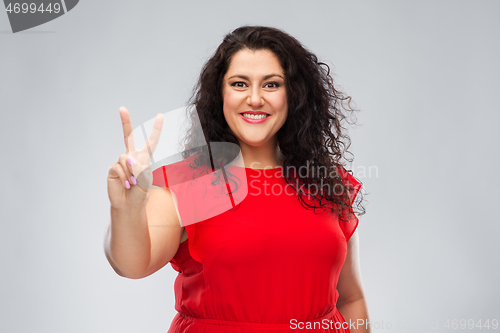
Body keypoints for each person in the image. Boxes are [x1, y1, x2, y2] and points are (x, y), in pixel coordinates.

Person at [104, 25, 370, 333]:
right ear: (221, 95)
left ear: (293, 94)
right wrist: (126, 209)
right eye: (240, 84)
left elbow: (350, 300)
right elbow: (132, 265)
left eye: (271, 85)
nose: (255, 99)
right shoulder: (191, 184)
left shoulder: (325, 182)